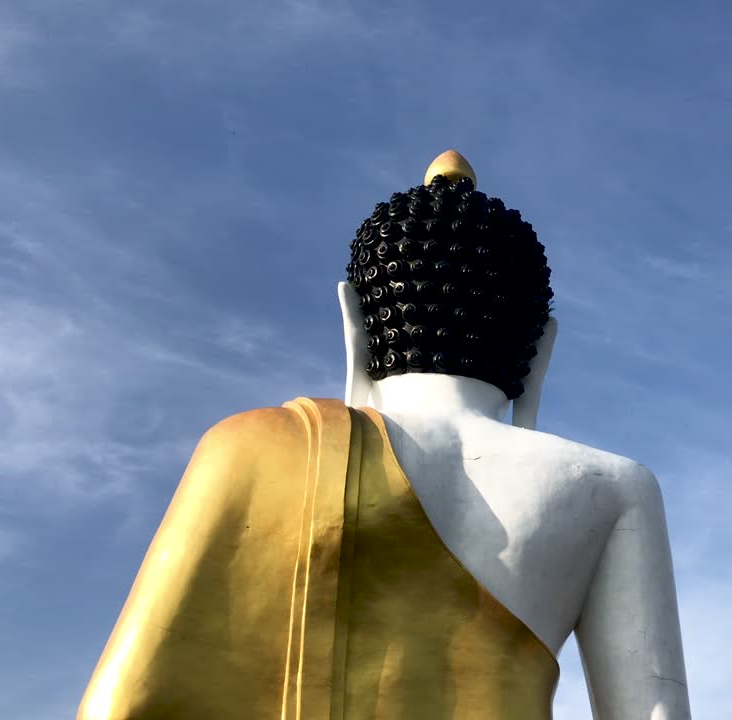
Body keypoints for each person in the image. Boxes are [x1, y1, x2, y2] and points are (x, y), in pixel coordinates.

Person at [77, 151, 691, 719]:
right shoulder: (615, 489)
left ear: (354, 323)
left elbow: (120, 706)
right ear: (540, 351)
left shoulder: (251, 447)